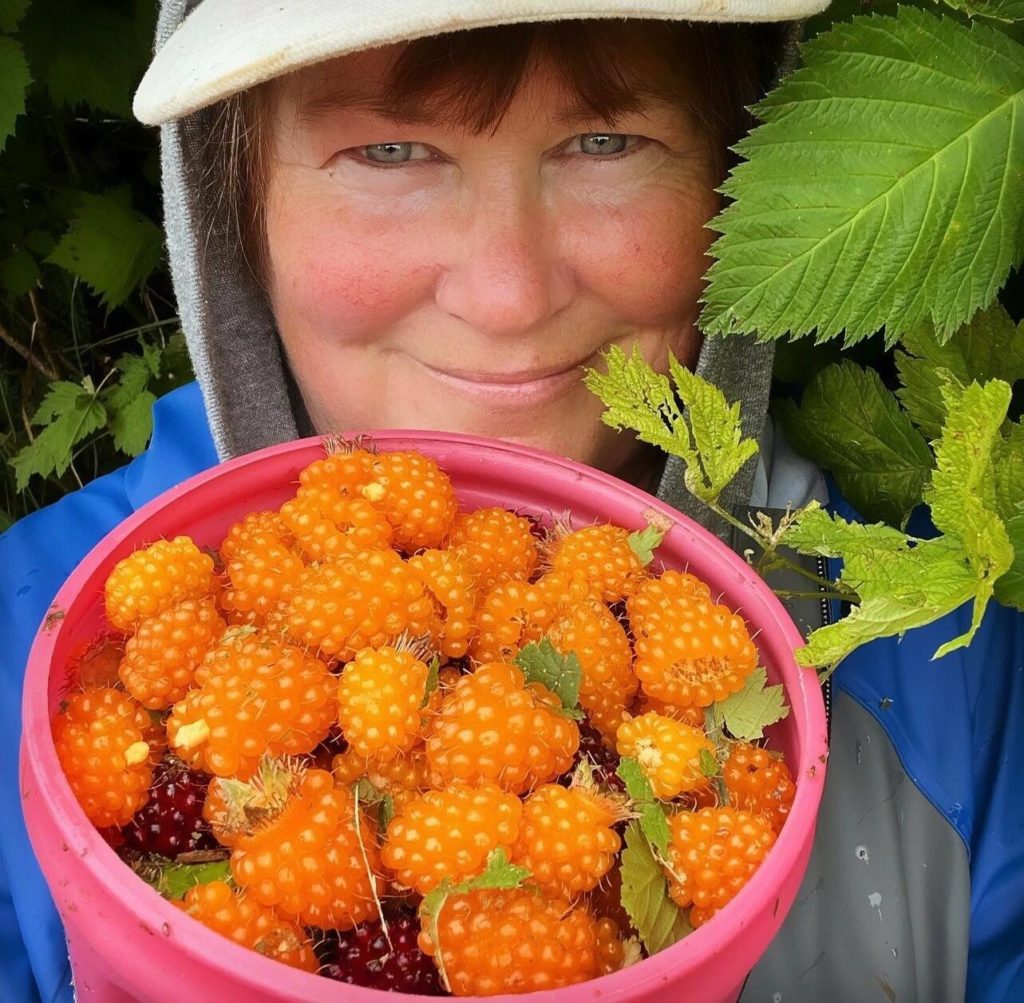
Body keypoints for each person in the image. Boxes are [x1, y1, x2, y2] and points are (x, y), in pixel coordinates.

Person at [1, 1, 1022, 1001]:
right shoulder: (26, 645)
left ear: (740, 181)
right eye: (390, 153)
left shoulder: (944, 654)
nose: (507, 294)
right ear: (228, 204)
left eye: (605, 141)